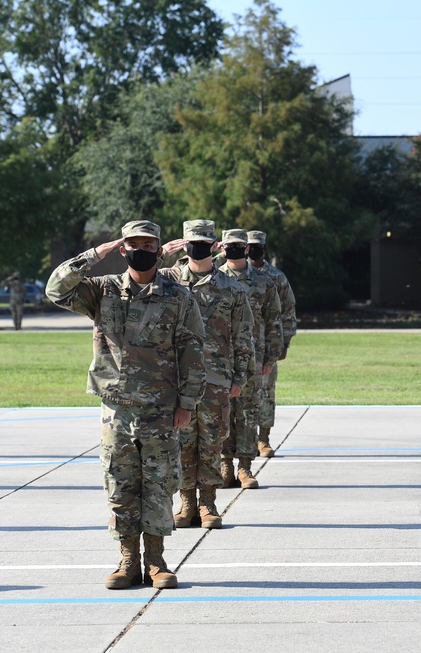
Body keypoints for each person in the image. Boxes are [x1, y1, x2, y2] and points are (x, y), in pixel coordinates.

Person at [46, 220, 206, 589]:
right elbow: (56, 288)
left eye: (149, 245)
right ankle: (127, 560)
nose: (142, 250)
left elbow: (193, 349)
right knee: (119, 486)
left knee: (159, 484)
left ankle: (156, 561)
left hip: (161, 409)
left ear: (159, 248)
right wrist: (94, 254)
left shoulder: (178, 296)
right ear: (123, 248)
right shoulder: (102, 291)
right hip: (117, 410)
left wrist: (187, 403)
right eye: (134, 244)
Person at [160, 220, 255, 530]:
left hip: (216, 378)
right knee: (182, 443)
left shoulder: (231, 287)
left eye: (203, 242)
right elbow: (135, 279)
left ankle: (208, 502)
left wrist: (240, 378)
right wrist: (161, 253)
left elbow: (244, 336)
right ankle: (187, 502)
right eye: (192, 242)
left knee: (212, 442)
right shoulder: (169, 281)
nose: (197, 247)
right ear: (183, 244)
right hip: (177, 380)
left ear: (216, 246)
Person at [217, 229, 283, 490]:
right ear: (222, 248)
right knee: (222, 414)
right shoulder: (215, 278)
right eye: (229, 245)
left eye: (239, 245)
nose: (234, 249)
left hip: (253, 358)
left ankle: (245, 467)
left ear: (246, 248)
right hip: (220, 360)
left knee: (247, 412)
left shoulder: (264, 281)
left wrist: (271, 356)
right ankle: (225, 466)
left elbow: (274, 319)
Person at [246, 230, 297, 458]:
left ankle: (262, 439)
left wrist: (284, 343)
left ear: (264, 249)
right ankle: (240, 441)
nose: (252, 250)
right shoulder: (229, 273)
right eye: (248, 246)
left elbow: (287, 310)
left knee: (266, 392)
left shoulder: (275, 277)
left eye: (257, 246)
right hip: (236, 346)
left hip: (266, 344)